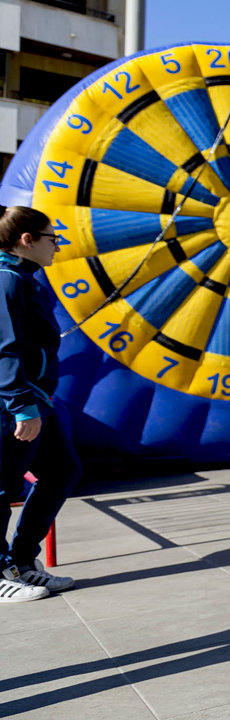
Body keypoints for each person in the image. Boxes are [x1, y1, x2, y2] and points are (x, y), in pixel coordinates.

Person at [0, 206, 81, 602]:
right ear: (26, 240)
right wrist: (21, 405)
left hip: (37, 399)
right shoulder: (7, 281)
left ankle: (22, 562)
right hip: (17, 405)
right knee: (2, 488)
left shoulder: (23, 280)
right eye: (53, 238)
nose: (58, 246)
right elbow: (4, 350)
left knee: (63, 471)